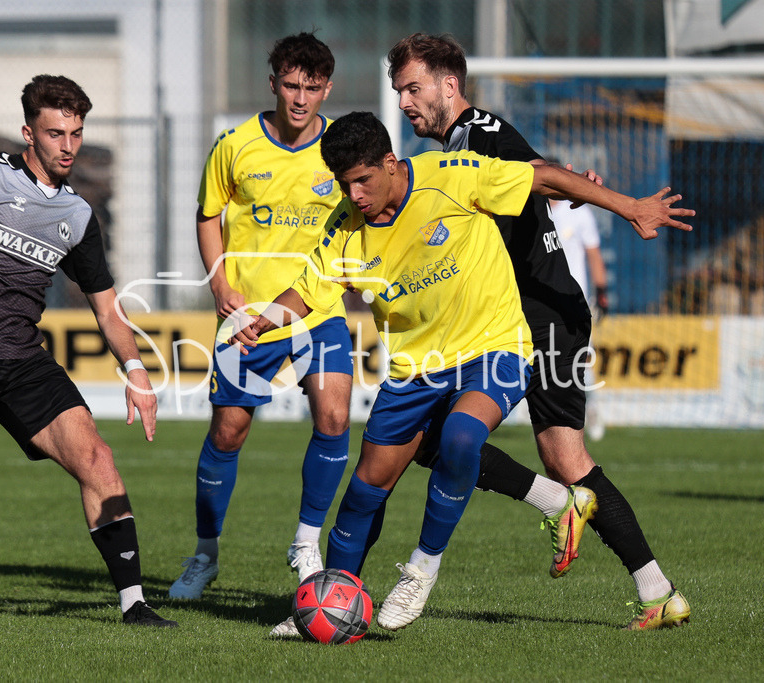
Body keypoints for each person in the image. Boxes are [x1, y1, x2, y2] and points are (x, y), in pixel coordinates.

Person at [228, 111, 694, 632]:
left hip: (495, 347)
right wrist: (265, 318)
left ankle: (421, 571)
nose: (353, 194)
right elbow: (311, 285)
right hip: (414, 368)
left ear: (389, 163)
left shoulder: (450, 173)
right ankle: (330, 605)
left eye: (362, 180)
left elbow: (541, 176)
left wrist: (632, 207)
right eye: (343, 183)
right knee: (364, 490)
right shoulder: (346, 227)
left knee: (460, 437)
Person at [387, 32, 690, 630]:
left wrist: (625, 206)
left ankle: (598, 537)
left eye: (413, 89)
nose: (404, 103)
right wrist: (573, 183)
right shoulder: (471, 141)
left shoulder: (481, 133)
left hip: (540, 318)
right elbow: (543, 178)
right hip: (519, 317)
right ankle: (658, 591)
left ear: (450, 85)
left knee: (444, 436)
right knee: (554, 459)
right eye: (399, 92)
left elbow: (541, 175)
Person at [0, 74, 176, 627]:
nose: (68, 145)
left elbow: (108, 310)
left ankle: (135, 604)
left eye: (77, 133)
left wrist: (136, 369)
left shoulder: (78, 216)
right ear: (29, 132)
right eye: (56, 132)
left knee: (98, 460)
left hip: (22, 362)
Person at [169, 33, 352, 600]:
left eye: (312, 87)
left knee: (335, 419)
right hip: (248, 320)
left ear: (327, 89)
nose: (301, 98)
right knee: (229, 431)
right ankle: (205, 553)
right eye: (292, 85)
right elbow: (208, 215)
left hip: (316, 312)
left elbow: (358, 224)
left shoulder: (340, 150)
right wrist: (220, 284)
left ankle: (305, 542)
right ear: (273, 82)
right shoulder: (235, 145)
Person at [547, 187, 608, 441]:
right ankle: (549, 420)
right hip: (542, 301)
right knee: (544, 361)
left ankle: (591, 409)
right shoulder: (533, 212)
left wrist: (602, 292)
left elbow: (593, 253)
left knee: (581, 359)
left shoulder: (579, 212)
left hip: (575, 300)